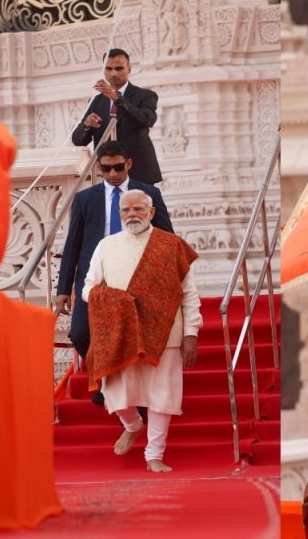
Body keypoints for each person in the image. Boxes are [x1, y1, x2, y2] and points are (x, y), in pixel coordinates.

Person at [81, 189, 201, 472]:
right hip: (120, 333)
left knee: (162, 395)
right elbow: (88, 288)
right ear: (119, 213)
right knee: (113, 390)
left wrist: (191, 334)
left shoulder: (172, 246)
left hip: (166, 333)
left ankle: (154, 455)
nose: (131, 214)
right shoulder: (106, 246)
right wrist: (114, 299)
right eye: (126, 210)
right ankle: (133, 424)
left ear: (150, 212)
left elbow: (189, 293)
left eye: (138, 209)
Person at [55, 140, 173, 403]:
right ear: (99, 167)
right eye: (106, 169)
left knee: (132, 336)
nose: (113, 174)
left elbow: (167, 237)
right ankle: (103, 375)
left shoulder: (147, 192)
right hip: (95, 276)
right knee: (81, 333)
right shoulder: (85, 199)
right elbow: (72, 244)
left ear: (128, 163)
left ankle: (123, 393)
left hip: (136, 276)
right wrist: (63, 290)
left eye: (118, 167)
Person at [72, 48, 163, 185]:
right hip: (108, 175)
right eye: (108, 69)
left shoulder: (145, 95)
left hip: (139, 174)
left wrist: (116, 98)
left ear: (129, 69)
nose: (113, 73)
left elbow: (146, 120)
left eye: (119, 68)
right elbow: (77, 141)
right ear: (103, 70)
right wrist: (86, 125)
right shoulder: (96, 101)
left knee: (147, 207)